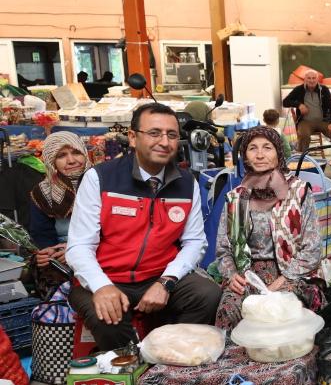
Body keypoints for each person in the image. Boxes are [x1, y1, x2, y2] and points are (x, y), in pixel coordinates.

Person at [65, 103, 221, 351]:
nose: (164, 141)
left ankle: (172, 361)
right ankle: (132, 368)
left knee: (207, 294)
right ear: (133, 137)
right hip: (108, 277)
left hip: (157, 276)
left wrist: (167, 281)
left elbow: (194, 242)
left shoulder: (186, 183)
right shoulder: (101, 178)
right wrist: (101, 286)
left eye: (171, 135)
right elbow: (79, 246)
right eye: (154, 133)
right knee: (107, 316)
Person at [212, 127, 323, 329]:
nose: (260, 155)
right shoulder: (236, 198)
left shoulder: (298, 192)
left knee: (279, 313)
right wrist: (232, 276)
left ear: (279, 152)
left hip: (292, 273)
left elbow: (313, 249)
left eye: (267, 148)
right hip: (248, 275)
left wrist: (282, 281)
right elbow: (223, 248)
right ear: (245, 156)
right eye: (252, 148)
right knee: (230, 310)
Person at [28, 132, 90, 290]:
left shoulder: (103, 182)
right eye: (61, 155)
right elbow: (42, 234)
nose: (71, 160)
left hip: (101, 250)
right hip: (61, 257)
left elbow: (115, 228)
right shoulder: (43, 192)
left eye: (76, 152)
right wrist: (48, 253)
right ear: (51, 161)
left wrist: (73, 250)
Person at [282, 69, 331, 158]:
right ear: (305, 79)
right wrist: (299, 105)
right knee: (303, 134)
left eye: (314, 78)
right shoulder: (299, 90)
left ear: (317, 79)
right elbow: (285, 102)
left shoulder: (323, 89)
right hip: (305, 122)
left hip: (323, 121)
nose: (311, 80)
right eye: (309, 78)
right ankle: (303, 158)